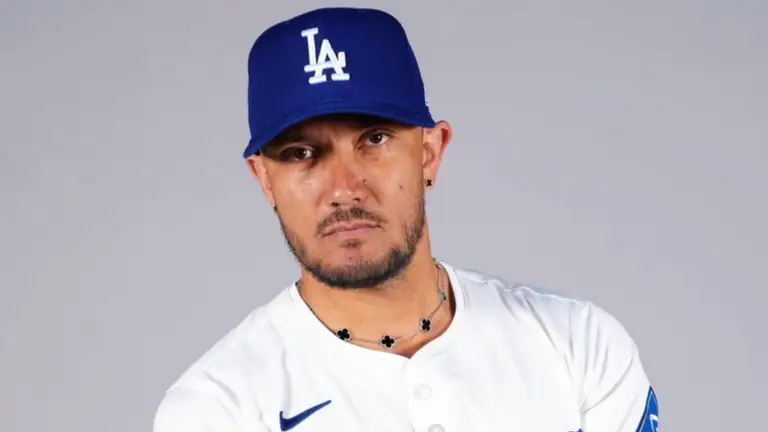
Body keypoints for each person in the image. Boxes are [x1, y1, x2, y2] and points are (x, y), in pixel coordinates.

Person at [153, 6, 659, 432]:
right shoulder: (217, 409)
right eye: (301, 153)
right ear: (265, 180)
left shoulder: (576, 344)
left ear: (429, 153)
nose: (344, 189)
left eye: (374, 140)